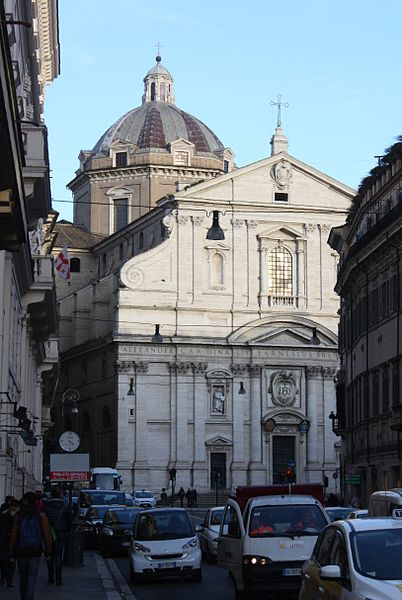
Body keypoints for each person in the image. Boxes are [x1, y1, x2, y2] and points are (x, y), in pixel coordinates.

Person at [9, 491, 52, 600]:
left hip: (21, 550)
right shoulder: (41, 516)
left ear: (24, 501)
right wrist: (48, 551)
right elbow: (47, 535)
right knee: (31, 578)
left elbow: (14, 534)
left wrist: (11, 552)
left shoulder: (19, 516)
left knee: (22, 577)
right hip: (35, 551)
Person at [42, 486, 72, 586]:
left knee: (49, 553)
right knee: (59, 556)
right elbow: (69, 520)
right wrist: (67, 530)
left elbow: (43, 519)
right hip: (62, 532)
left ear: (51, 495)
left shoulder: (46, 506)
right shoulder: (66, 506)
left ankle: (51, 578)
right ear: (61, 495)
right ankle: (58, 579)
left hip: (49, 532)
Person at [0, 498, 19, 587]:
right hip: (4, 541)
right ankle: (4, 577)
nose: (13, 511)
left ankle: (9, 580)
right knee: (3, 560)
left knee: (11, 562)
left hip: (12, 542)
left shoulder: (18, 516)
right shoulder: (4, 515)